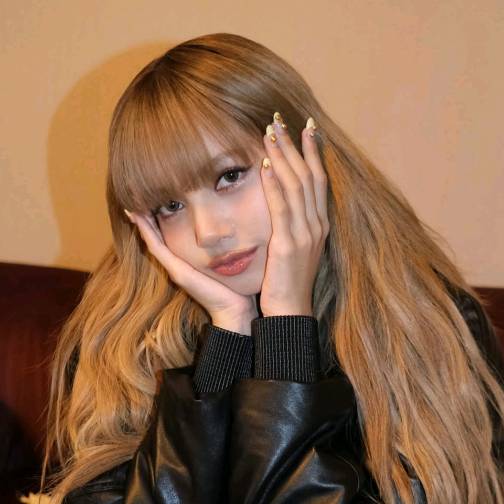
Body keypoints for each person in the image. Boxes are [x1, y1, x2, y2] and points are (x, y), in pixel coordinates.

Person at [39, 32, 504, 503]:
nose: (208, 233)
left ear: (304, 153)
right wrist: (227, 339)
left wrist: (285, 323)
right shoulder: (121, 341)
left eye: (229, 176)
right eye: (171, 206)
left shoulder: (429, 328)